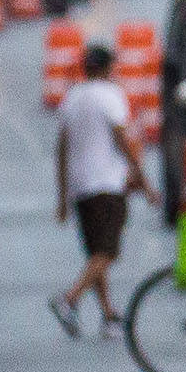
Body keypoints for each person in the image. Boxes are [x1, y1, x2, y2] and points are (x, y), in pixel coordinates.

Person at [48, 42, 154, 337]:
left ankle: (108, 315)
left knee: (96, 253)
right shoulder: (111, 95)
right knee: (108, 251)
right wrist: (142, 179)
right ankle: (69, 299)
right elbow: (122, 138)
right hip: (107, 184)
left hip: (81, 186)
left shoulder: (72, 98)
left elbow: (62, 150)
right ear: (108, 68)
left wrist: (62, 196)